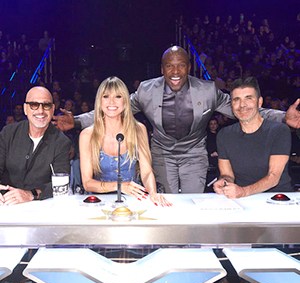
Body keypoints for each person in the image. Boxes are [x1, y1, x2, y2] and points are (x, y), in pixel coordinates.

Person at [56, 46, 300, 194]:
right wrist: (76, 122)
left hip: (194, 153)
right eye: (169, 66)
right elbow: (112, 108)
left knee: (191, 202)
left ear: (188, 67)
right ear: (162, 69)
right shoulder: (147, 91)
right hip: (162, 153)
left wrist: (282, 117)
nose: (175, 71)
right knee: (170, 201)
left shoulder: (207, 90)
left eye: (180, 65)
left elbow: (241, 109)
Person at [79, 76, 171, 207]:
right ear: (99, 101)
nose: (111, 102)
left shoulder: (138, 129)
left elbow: (146, 172)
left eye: (118, 96)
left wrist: (153, 193)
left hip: (134, 200)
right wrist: (119, 186)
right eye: (105, 96)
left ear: (126, 101)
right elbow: (87, 182)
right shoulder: (87, 135)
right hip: (100, 202)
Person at [213, 77, 292, 198]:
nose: (242, 105)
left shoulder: (279, 131)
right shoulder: (224, 135)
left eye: (248, 98)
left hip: (277, 198)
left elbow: (273, 177)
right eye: (236, 100)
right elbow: (227, 174)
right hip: (241, 199)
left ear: (259, 102)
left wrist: (243, 191)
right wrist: (224, 182)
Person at [0, 86, 71, 205]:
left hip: (39, 207)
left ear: (53, 109)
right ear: (25, 109)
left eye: (46, 105)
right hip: (5, 203)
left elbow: (60, 184)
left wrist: (31, 194)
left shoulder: (61, 142)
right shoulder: (8, 133)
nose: (40, 111)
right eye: (34, 105)